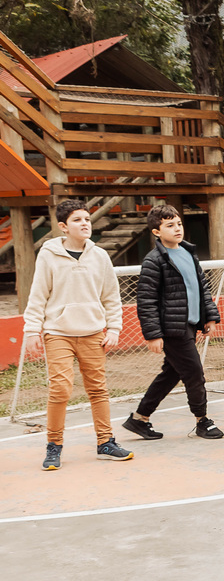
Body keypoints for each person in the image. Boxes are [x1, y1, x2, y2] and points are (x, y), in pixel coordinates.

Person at [22, 198, 133, 469]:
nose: (85, 224)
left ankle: (105, 442)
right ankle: (54, 446)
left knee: (98, 389)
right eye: (77, 220)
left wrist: (115, 329)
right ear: (63, 227)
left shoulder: (100, 255)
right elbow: (38, 295)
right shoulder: (48, 255)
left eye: (87, 219)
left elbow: (111, 297)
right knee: (60, 389)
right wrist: (31, 330)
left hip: (93, 332)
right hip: (57, 332)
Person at [123, 204, 224, 441]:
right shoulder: (154, 260)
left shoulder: (189, 253)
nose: (177, 228)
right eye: (170, 225)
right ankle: (202, 421)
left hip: (188, 323)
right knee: (194, 372)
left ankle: (140, 418)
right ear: (156, 231)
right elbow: (146, 301)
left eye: (178, 223)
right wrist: (153, 334)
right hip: (171, 328)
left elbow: (202, 288)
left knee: (171, 373)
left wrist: (210, 315)